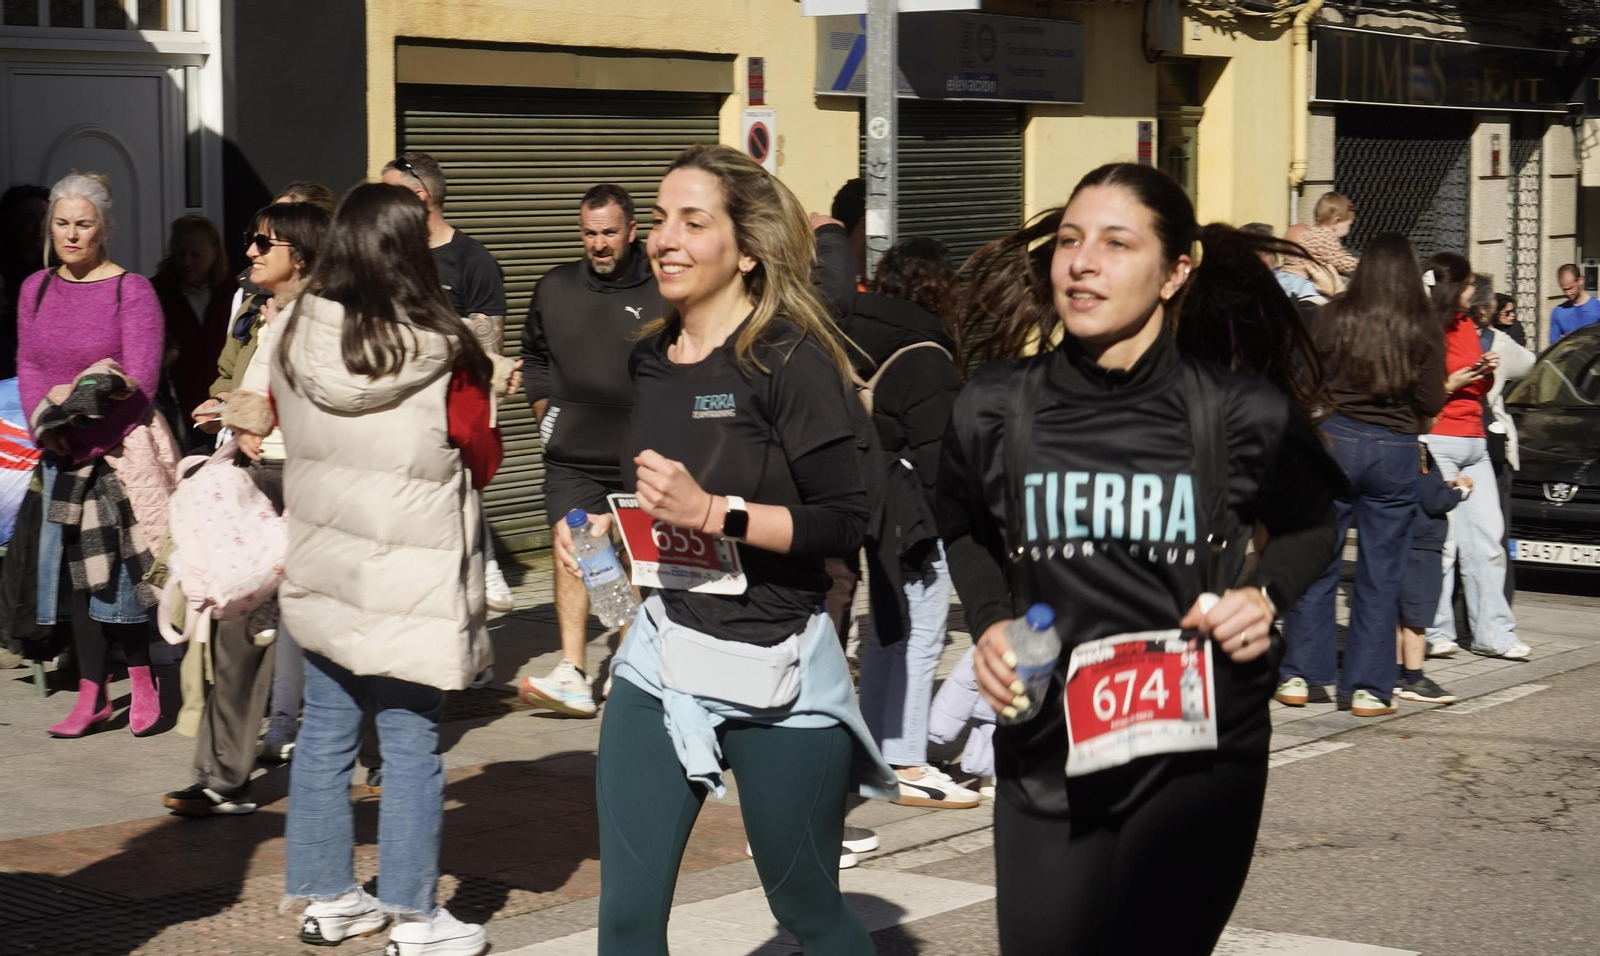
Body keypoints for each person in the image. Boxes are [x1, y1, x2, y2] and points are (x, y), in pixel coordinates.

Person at [938, 162, 1343, 955]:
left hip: (1197, 761)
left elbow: (1311, 524)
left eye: (1116, 244)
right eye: (1069, 241)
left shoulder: (1240, 413)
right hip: (1047, 753)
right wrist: (989, 623)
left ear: (1174, 272)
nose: (1082, 263)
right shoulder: (992, 407)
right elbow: (963, 530)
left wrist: (1263, 596)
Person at [577, 145, 895, 955]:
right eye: (659, 220)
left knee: (807, 913)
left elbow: (842, 523)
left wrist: (717, 512)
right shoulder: (650, 358)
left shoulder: (787, 359)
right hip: (664, 658)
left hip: (777, 668)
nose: (665, 240)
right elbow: (653, 500)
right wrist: (606, 533)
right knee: (627, 917)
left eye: (693, 222)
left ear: (747, 248)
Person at [275, 183, 498, 956]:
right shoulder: (449, 350)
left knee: (326, 733)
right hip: (413, 575)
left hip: (324, 566)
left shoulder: (291, 332)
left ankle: (330, 896)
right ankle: (413, 914)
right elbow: (485, 457)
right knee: (409, 746)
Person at [161, 202, 330, 816]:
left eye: (266, 243)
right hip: (260, 482)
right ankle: (220, 779)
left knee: (328, 635)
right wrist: (230, 408)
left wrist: (259, 414)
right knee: (238, 630)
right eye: (251, 241)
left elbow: (320, 398)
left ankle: (378, 755)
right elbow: (258, 391)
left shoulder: (321, 319)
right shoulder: (265, 312)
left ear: (302, 256)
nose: (252, 251)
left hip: (307, 487)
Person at [18, 173, 176, 739]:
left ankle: (141, 680)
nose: (72, 234)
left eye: (83, 224)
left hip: (117, 451)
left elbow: (141, 380)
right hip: (61, 452)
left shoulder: (129, 290)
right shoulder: (35, 288)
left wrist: (89, 435)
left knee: (121, 576)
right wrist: (49, 428)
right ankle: (91, 694)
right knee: (77, 578)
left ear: (105, 227)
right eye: (62, 223)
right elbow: (31, 366)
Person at [1277, 233, 1444, 717]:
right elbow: (1431, 402)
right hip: (1394, 450)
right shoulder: (1422, 326)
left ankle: (1298, 677)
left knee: (1318, 561)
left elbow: (1304, 378)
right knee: (1380, 571)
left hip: (1336, 442)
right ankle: (1369, 689)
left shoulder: (1335, 314)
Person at [517, 183, 663, 716]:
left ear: (630, 232)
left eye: (608, 233)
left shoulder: (663, 288)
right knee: (578, 548)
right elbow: (533, 356)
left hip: (640, 453)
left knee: (629, 558)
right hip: (572, 455)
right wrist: (545, 415)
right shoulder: (555, 288)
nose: (598, 244)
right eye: (588, 233)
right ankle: (574, 670)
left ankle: (628, 659)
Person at [845, 236, 976, 809]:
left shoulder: (852, 335)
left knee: (887, 629)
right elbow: (937, 457)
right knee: (920, 635)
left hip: (869, 499)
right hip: (918, 512)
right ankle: (906, 760)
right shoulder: (927, 354)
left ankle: (875, 748)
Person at [382, 152, 518, 614]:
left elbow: (488, 350)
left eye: (389, 192)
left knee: (458, 520)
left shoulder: (472, 261)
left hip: (450, 411)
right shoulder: (387, 261)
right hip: (396, 412)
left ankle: (484, 572)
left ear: (419, 198)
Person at [1419, 253, 1528, 661]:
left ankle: (1494, 634)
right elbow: (1421, 389)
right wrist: (1451, 383)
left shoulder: (1468, 325)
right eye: (1466, 286)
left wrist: (1483, 372)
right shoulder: (1426, 327)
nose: (1473, 294)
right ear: (1451, 288)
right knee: (1443, 545)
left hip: (1474, 441)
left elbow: (1477, 390)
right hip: (1438, 439)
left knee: (1488, 541)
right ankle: (1434, 629)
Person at [1468, 280, 1535, 614]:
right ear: (1485, 310)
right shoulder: (1499, 342)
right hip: (1491, 443)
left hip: (1450, 441)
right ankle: (1495, 611)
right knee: (1496, 532)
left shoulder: (1445, 334)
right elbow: (1531, 366)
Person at [150, 215, 237, 451]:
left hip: (224, 410)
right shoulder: (157, 294)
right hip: (177, 412)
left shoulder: (234, 293)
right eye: (180, 254)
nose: (187, 262)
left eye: (196, 255)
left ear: (214, 254)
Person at [1397, 447, 1467, 704]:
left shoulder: (1397, 443)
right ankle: (1414, 678)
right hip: (1423, 546)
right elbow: (1434, 501)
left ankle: (1396, 674)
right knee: (1417, 618)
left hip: (1403, 540)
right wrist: (1460, 491)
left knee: (1401, 615)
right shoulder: (1419, 449)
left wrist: (1444, 486)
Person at [1, 184, 49, 378]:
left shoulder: (63, 265)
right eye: (29, 219)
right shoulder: (4, 266)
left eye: (44, 217)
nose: (38, 227)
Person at [1283, 192, 1359, 294]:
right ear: (1336, 222)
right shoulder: (1325, 238)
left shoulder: (1307, 232)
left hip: (1283, 277)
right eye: (1348, 225)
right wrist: (1365, 266)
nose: (1349, 231)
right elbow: (1343, 262)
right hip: (1299, 285)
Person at [1550, 263, 1600, 345]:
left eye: (1570, 288)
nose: (1567, 293)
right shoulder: (1558, 312)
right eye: (1564, 289)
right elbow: (1554, 346)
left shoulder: (1597, 308)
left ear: (1581, 281)